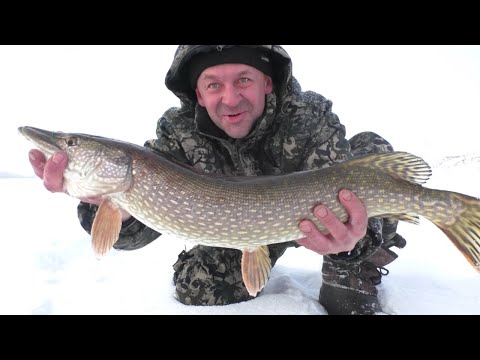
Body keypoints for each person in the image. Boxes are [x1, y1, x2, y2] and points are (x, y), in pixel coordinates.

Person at [28, 45, 407, 315]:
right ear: (198, 92)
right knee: (198, 288)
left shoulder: (308, 117)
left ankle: (350, 267)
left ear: (268, 83)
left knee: (367, 163)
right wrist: (105, 204)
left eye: (243, 79)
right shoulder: (175, 136)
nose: (230, 98)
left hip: (316, 220)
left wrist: (351, 243)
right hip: (243, 228)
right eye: (213, 84)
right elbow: (133, 237)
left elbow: (345, 191)